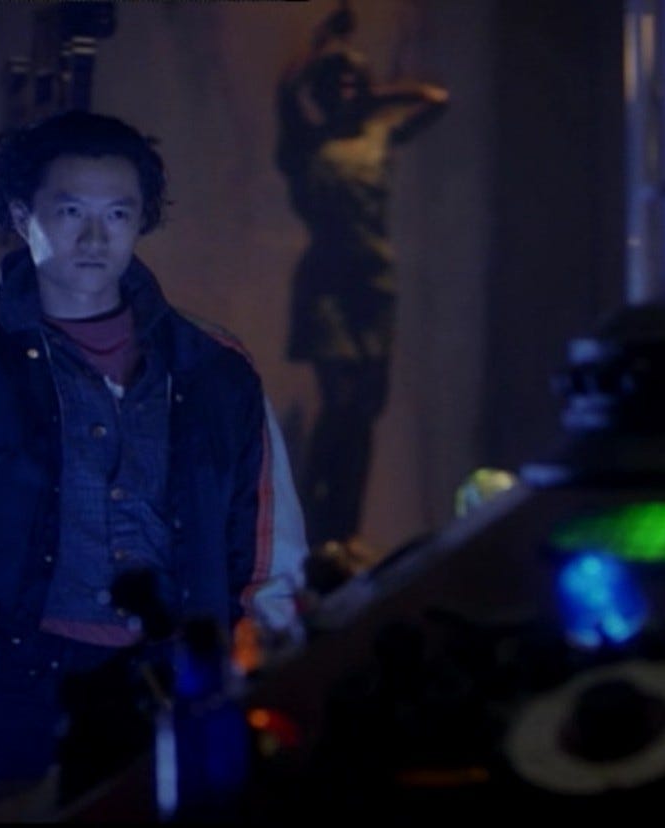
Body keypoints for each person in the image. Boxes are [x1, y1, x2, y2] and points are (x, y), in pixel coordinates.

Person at [0, 107, 307, 795]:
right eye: (70, 212)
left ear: (140, 220)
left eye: (117, 215)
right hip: (29, 677)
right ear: (22, 214)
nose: (94, 238)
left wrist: (259, 660)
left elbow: (265, 536)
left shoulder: (210, 365)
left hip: (178, 680)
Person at [276, 2, 448, 553]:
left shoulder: (377, 138)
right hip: (328, 285)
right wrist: (319, 44)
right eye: (337, 83)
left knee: (365, 410)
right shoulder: (305, 146)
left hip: (374, 286)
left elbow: (435, 100)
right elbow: (286, 90)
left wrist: (375, 96)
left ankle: (347, 527)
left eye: (354, 82)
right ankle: (318, 521)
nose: (346, 90)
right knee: (340, 400)